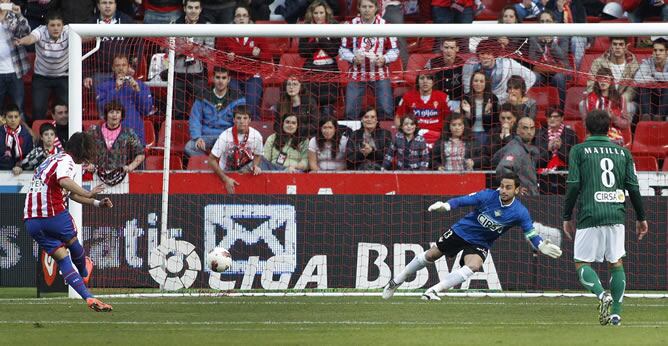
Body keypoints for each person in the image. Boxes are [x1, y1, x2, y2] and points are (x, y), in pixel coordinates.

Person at [383, 173, 563, 301]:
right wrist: (446, 206)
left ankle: (433, 291)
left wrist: (539, 245)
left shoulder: (520, 212)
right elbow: (463, 201)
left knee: (474, 266)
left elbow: (530, 232)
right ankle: (396, 281)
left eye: (508, 187)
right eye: (502, 186)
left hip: (481, 242)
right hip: (461, 231)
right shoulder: (487, 195)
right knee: (431, 255)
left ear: (517, 190)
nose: (503, 190)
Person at [563, 109, 648, 326]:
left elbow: (573, 186)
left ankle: (602, 295)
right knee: (616, 262)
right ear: (610, 127)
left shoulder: (579, 151)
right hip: (616, 213)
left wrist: (567, 215)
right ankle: (617, 315)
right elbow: (634, 188)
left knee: (582, 262)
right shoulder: (623, 153)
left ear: (586, 127)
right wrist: (641, 217)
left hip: (590, 213)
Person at [23, 131, 114, 312]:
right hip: (53, 214)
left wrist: (95, 203)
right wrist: (88, 192)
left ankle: (88, 297)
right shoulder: (67, 160)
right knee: (74, 243)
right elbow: (64, 181)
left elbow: (69, 193)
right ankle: (84, 272)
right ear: (82, 149)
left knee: (62, 258)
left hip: (31, 221)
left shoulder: (52, 160)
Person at [339, 0, 398, 120]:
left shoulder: (385, 26)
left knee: (386, 111)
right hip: (357, 74)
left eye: (370, 6)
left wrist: (384, 59)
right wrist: (353, 58)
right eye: (364, 6)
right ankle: (351, 136)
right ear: (359, 8)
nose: (367, 9)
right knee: (350, 112)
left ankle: (385, 137)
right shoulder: (350, 26)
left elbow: (395, 50)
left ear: (376, 8)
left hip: (379, 74)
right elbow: (342, 49)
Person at [14, 10, 69, 122]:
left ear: (63, 26)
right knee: (38, 110)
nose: (56, 28)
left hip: (63, 77)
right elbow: (31, 38)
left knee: (66, 110)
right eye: (52, 25)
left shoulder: (69, 31)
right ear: (46, 26)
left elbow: (86, 36)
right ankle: (38, 138)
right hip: (42, 77)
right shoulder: (40, 31)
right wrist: (22, 41)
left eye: (59, 25)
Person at [216, 4, 269, 120]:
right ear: (234, 19)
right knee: (237, 107)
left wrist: (259, 54)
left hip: (252, 75)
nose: (241, 18)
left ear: (249, 18)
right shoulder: (225, 35)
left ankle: (254, 135)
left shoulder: (258, 33)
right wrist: (227, 57)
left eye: (244, 16)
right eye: (238, 16)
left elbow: (268, 56)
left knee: (252, 107)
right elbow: (218, 57)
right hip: (233, 76)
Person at [185, 67, 245, 158]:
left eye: (224, 78)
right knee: (189, 147)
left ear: (228, 79)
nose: (220, 81)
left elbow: (241, 123)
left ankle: (216, 165)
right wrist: (197, 137)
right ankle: (209, 164)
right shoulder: (202, 96)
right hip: (206, 136)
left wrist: (233, 139)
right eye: (218, 77)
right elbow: (195, 119)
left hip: (227, 137)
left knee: (238, 151)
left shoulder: (237, 98)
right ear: (213, 78)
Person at [95, 54, 154, 145]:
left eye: (123, 65)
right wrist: (116, 89)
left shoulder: (141, 86)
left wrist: (137, 91)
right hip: (111, 136)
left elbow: (147, 110)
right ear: (113, 68)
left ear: (128, 67)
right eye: (117, 65)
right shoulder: (103, 86)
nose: (121, 68)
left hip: (135, 133)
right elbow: (102, 108)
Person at [172, 0, 215, 120]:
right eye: (190, 7)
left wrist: (193, 49)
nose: (193, 11)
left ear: (200, 9)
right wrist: (183, 49)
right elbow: (168, 49)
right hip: (178, 72)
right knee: (178, 110)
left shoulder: (207, 26)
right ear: (184, 8)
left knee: (199, 109)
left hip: (199, 73)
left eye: (196, 8)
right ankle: (178, 133)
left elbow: (210, 51)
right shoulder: (174, 25)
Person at [87, 101, 145, 186]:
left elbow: (141, 153)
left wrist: (130, 167)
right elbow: (81, 149)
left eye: (118, 112)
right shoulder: (94, 131)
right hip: (96, 179)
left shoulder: (128, 133)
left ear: (121, 115)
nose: (114, 115)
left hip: (122, 180)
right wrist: (89, 163)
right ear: (106, 115)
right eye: (111, 112)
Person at [208, 105, 264, 193]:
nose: (242, 121)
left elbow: (257, 154)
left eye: (245, 118)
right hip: (225, 175)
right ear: (234, 120)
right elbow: (211, 160)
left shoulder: (257, 136)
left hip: (246, 175)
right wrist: (225, 179)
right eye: (238, 118)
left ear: (250, 120)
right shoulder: (224, 136)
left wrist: (255, 165)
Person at [298, 0, 340, 116]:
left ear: (326, 13)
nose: (318, 16)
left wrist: (319, 37)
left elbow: (334, 50)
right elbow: (302, 52)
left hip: (329, 71)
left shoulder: (334, 26)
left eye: (321, 13)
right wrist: (320, 41)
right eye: (316, 13)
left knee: (327, 109)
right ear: (311, 14)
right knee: (310, 108)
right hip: (311, 71)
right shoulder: (306, 27)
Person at [463, 39, 536, 104]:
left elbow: (531, 76)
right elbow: (467, 87)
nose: (485, 56)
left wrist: (518, 94)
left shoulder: (507, 63)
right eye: (482, 53)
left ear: (495, 55)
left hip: (503, 103)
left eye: (488, 54)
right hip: (477, 101)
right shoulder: (470, 64)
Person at [586, 37, 639, 117]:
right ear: (611, 46)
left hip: (622, 100)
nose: (617, 47)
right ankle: (591, 128)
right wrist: (600, 98)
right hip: (601, 97)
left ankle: (623, 129)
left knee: (629, 107)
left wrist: (621, 99)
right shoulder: (598, 62)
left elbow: (632, 89)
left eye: (621, 44)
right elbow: (591, 83)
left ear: (626, 47)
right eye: (615, 44)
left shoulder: (633, 65)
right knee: (582, 104)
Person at [395, 73, 450, 147]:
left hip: (437, 137)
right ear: (418, 81)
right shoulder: (408, 97)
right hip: (414, 136)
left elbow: (450, 119)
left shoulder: (443, 97)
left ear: (433, 81)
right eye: (422, 78)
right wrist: (405, 134)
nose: (425, 81)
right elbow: (398, 117)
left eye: (428, 78)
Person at [528, 10, 569, 110]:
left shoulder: (562, 35)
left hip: (559, 70)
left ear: (554, 23)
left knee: (558, 78)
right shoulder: (534, 37)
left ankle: (560, 110)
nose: (544, 24)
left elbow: (562, 56)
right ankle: (533, 110)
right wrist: (541, 43)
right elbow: (532, 59)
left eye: (547, 21)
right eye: (542, 21)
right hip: (541, 71)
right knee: (532, 77)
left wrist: (550, 43)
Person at [580, 67, 630, 147]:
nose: (603, 82)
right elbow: (585, 123)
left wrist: (613, 118)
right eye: (600, 79)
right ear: (596, 81)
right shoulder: (589, 98)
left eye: (605, 78)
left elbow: (626, 124)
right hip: (594, 135)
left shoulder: (620, 99)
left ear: (611, 81)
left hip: (614, 135)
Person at [535, 107, 578, 194]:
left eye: (555, 116)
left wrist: (560, 148)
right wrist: (549, 150)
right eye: (549, 117)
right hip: (545, 179)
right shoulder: (540, 135)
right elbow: (537, 162)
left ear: (562, 118)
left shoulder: (571, 135)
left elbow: (574, 161)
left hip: (565, 177)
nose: (552, 119)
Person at [493, 116, 539, 196]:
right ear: (518, 130)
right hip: (521, 199)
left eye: (532, 128)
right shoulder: (516, 149)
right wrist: (516, 188)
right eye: (525, 128)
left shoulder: (526, 148)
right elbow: (501, 170)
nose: (529, 131)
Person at [0, 0, 30, 119]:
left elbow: (25, 32)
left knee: (19, 109)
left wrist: (18, 15)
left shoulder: (13, 15)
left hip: (14, 71)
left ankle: (21, 136)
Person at [460, 71, 498, 146]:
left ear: (486, 83)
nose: (478, 84)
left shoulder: (493, 98)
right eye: (476, 81)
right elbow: (464, 123)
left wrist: (487, 112)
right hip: (470, 134)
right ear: (472, 82)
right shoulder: (466, 98)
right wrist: (468, 113)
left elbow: (494, 123)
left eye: (481, 81)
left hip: (487, 134)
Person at [634, 37, 668, 121]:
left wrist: (654, 75)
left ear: (667, 52)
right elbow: (637, 78)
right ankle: (646, 116)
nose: (657, 53)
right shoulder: (648, 62)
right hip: (651, 99)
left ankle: (660, 117)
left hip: (666, 100)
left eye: (661, 50)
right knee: (644, 86)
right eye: (655, 50)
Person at [425, 37, 465, 107]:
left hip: (456, 101)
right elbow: (423, 79)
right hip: (436, 100)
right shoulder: (432, 63)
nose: (448, 51)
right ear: (441, 48)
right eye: (446, 47)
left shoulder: (463, 64)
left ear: (457, 49)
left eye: (452, 48)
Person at [0, 104, 33, 172]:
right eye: (10, 117)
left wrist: (20, 166)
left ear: (20, 118)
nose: (13, 120)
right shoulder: (1, 132)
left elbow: (29, 156)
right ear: (4, 118)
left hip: (22, 171)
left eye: (16, 117)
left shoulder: (26, 135)